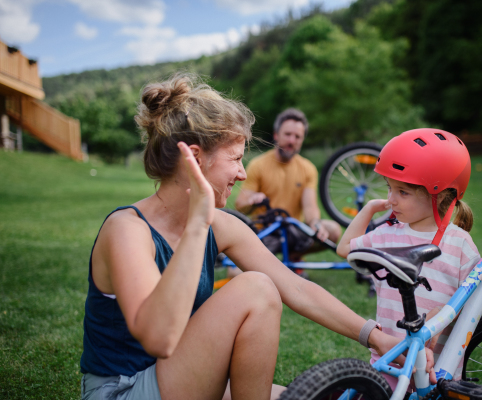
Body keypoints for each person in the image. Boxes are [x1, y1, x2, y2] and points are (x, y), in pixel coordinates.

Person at [79, 74, 435, 400]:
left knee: (312, 397)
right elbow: (158, 337)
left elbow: (296, 288)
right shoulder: (128, 230)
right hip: (122, 390)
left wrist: (379, 337)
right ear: (197, 160)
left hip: (176, 377)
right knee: (256, 288)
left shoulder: (222, 225)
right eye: (235, 158)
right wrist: (198, 224)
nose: (242, 173)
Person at [337, 128, 481, 392]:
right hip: (390, 360)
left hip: (441, 368)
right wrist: (369, 209)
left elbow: (473, 299)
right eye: (390, 189)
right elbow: (345, 248)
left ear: (440, 195)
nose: (391, 199)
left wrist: (440, 315)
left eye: (402, 192)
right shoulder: (386, 235)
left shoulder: (460, 243)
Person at [234, 109, 341, 268]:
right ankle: (273, 263)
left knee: (333, 230)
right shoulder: (258, 165)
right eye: (288, 134)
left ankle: (293, 257)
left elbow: (310, 207)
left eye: (297, 137)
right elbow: (240, 205)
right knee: (235, 273)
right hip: (265, 233)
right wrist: (253, 200)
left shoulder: (308, 168)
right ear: (276, 135)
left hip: (292, 231)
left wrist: (316, 224)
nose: (292, 141)